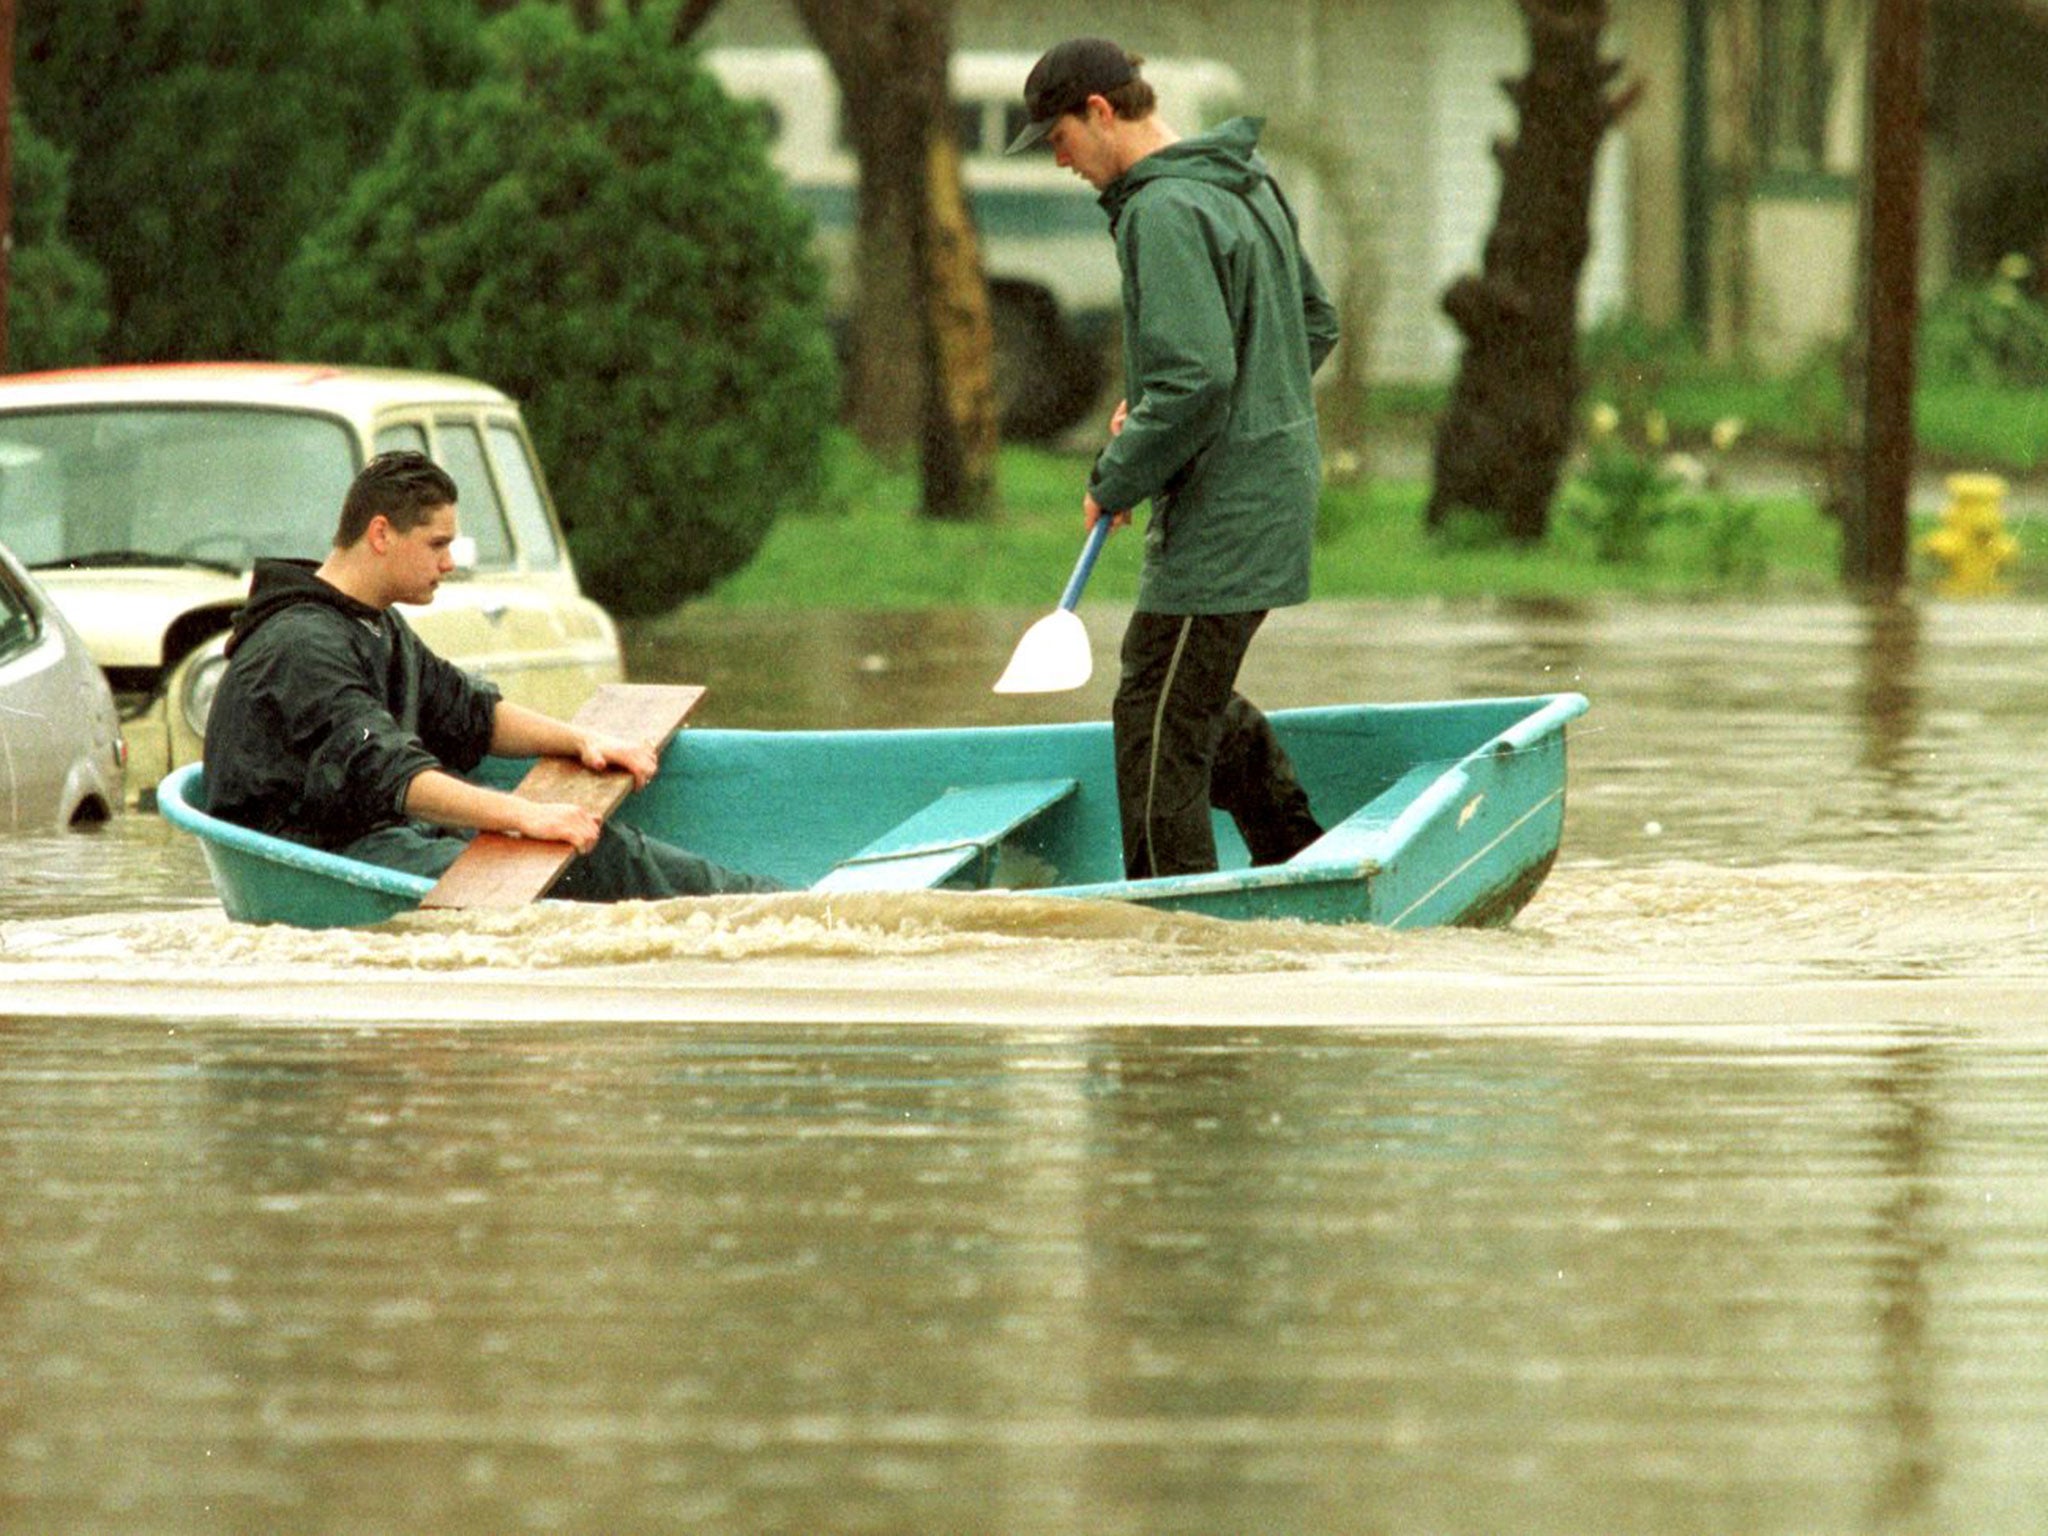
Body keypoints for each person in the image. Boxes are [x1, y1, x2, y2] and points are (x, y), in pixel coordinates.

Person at [1008, 37, 1337, 880]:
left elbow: (1197, 381)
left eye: (1059, 138)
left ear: (1101, 113)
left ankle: (1175, 935)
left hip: (1223, 518)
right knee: (1180, 703)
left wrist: (1119, 475)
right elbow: (1312, 325)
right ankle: (1302, 859)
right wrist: (1163, 412)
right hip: (1270, 496)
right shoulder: (1243, 179)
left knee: (1154, 723)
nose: (1061, 160)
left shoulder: (1160, 210)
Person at [203, 450, 779, 900]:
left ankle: (765, 904)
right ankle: (769, 916)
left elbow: (468, 713)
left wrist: (581, 739)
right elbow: (394, 777)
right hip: (325, 855)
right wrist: (530, 817)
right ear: (380, 534)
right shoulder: (303, 646)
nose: (450, 563)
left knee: (602, 847)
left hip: (382, 833)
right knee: (574, 855)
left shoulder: (374, 623)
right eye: (437, 544)